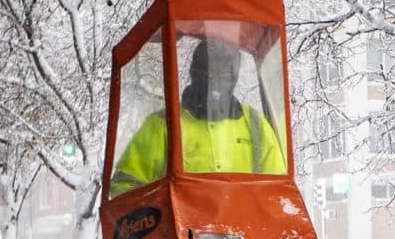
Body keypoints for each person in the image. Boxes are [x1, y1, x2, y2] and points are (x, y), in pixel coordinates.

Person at [109, 39, 286, 197]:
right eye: (209, 72)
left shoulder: (256, 126)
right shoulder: (163, 125)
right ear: (195, 72)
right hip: (177, 233)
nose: (216, 81)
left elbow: (278, 192)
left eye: (225, 74)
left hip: (246, 232)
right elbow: (124, 188)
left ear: (235, 77)